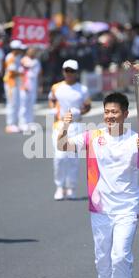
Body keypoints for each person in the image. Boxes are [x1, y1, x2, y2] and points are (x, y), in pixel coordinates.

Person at [57, 92, 139, 278]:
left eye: (114, 112)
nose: (109, 116)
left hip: (126, 209)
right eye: (106, 112)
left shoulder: (136, 140)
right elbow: (63, 145)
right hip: (100, 210)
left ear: (125, 114)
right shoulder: (94, 136)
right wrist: (65, 126)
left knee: (121, 256)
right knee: (103, 260)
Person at [48, 59, 91, 200]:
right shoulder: (56, 87)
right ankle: (60, 187)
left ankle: (71, 187)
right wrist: (53, 109)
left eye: (72, 71)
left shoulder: (82, 89)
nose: (69, 73)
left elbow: (87, 105)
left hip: (76, 125)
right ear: (63, 71)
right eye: (67, 70)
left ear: (76, 73)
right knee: (60, 157)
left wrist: (80, 111)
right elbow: (52, 99)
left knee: (73, 158)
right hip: (60, 124)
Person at [3, 40, 27, 133]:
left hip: (16, 83)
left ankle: (14, 123)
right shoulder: (10, 57)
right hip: (10, 83)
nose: (21, 50)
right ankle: (10, 124)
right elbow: (12, 72)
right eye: (19, 49)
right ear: (15, 49)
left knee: (16, 103)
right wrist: (22, 73)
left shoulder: (18, 57)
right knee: (11, 104)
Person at [19, 47, 42, 132]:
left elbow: (39, 74)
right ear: (27, 51)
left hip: (33, 85)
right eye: (31, 50)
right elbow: (21, 74)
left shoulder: (37, 61)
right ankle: (22, 123)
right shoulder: (23, 60)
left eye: (34, 51)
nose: (32, 52)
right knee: (23, 105)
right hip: (25, 85)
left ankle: (30, 122)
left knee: (31, 105)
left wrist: (40, 86)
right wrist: (23, 84)